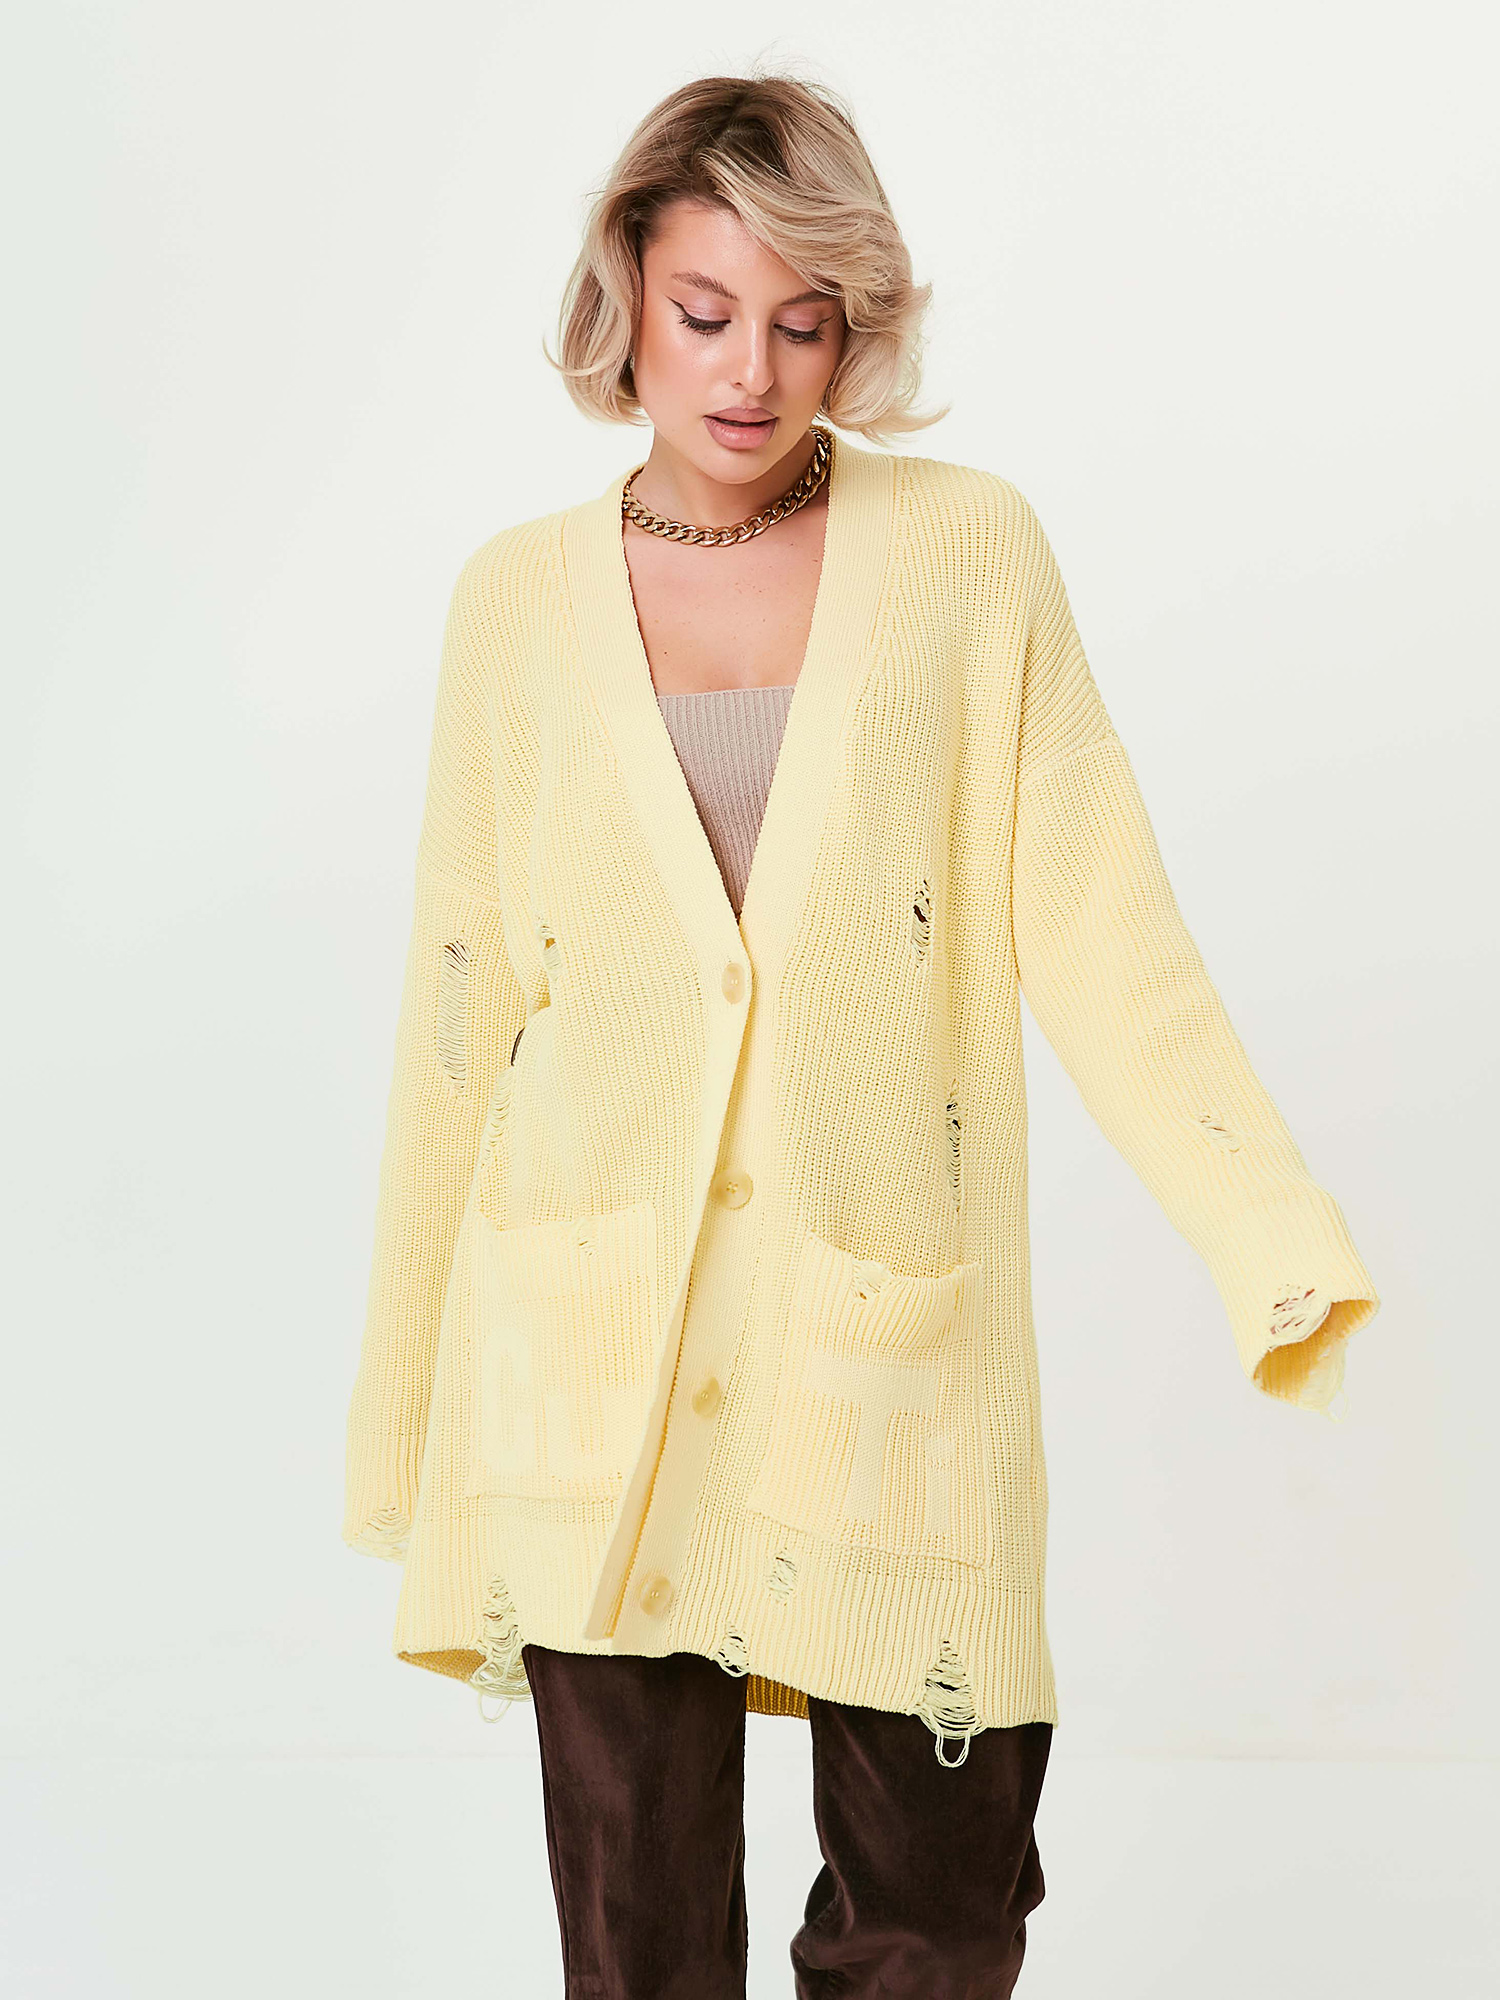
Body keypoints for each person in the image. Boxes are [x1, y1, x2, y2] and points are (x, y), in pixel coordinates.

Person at [341, 70, 1380, 2000]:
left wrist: (1267, 1228)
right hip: (589, 1357)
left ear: (857, 328)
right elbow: (458, 1013)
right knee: (640, 1951)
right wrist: (401, 1408)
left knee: (940, 1920)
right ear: (625, 298)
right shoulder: (513, 607)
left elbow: (1105, 926)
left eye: (803, 323)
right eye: (704, 313)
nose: (750, 373)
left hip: (890, 1349)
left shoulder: (970, 558)